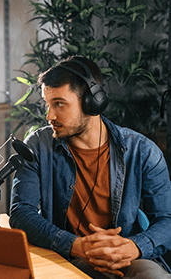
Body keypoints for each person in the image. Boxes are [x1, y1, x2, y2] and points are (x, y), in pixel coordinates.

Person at [9, 56, 171, 278]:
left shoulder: (142, 151)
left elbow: (167, 220)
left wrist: (132, 247)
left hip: (128, 259)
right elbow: (21, 212)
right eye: (47, 104)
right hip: (67, 256)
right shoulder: (37, 146)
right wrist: (77, 245)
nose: (50, 116)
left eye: (59, 104)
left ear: (92, 101)